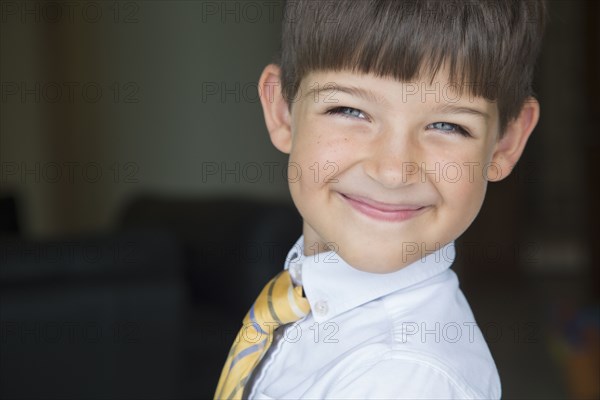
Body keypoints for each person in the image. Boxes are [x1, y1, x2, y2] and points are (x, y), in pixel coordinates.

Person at [216, 0, 547, 398]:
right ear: (283, 111)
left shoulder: (402, 378)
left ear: (505, 143)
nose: (393, 171)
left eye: (448, 125)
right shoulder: (304, 296)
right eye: (350, 110)